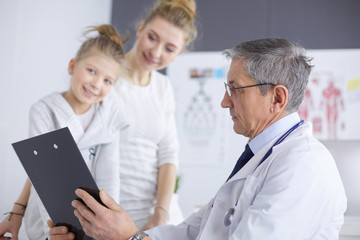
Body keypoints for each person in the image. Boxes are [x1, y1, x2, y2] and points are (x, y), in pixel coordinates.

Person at [49, 38, 347, 240]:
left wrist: (131, 237)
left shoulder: (303, 166)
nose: (224, 102)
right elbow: (191, 232)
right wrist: (103, 229)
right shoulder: (261, 158)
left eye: (235, 89)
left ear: (277, 98)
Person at [0, 24, 128, 240]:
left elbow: (109, 177)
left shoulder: (109, 118)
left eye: (108, 80)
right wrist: (53, 230)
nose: (97, 84)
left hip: (95, 226)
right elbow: (42, 176)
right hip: (48, 224)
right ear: (72, 65)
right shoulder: (44, 111)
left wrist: (110, 226)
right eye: (91, 71)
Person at [110, 0, 197, 230]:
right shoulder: (106, 77)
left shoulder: (163, 88)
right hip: (115, 217)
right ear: (140, 30)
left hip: (160, 220)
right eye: (152, 38)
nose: (156, 52)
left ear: (178, 54)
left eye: (169, 49)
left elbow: (169, 156)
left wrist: (161, 214)